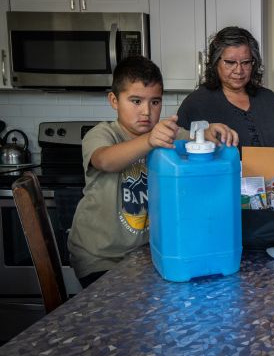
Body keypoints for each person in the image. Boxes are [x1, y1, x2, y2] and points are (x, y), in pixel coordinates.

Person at [68, 56, 239, 288]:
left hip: (147, 255)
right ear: (114, 100)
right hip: (101, 258)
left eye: (155, 102)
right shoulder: (102, 134)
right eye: (136, 101)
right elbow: (104, 160)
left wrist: (209, 133)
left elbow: (194, 137)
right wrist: (150, 140)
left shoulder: (167, 134)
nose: (146, 111)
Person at [177, 26, 274, 149]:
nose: (239, 70)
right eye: (230, 62)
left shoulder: (270, 99)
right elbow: (178, 148)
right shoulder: (196, 103)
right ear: (215, 63)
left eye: (246, 62)